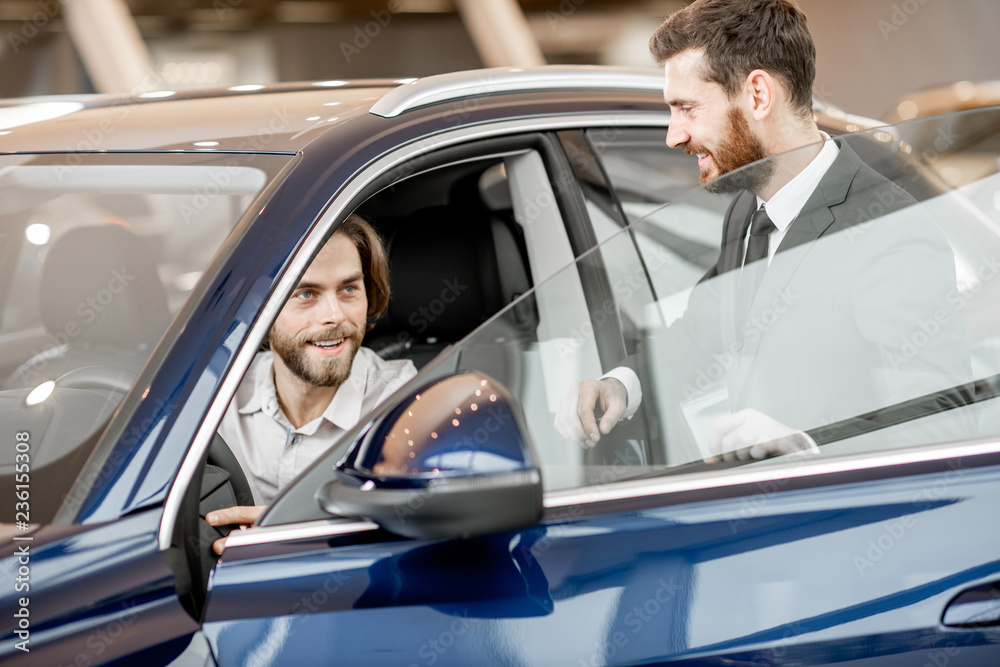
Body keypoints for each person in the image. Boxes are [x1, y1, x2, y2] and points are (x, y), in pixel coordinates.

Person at [555, 0, 971, 461]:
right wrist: (620, 385)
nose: (674, 136)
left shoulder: (888, 229)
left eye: (687, 108)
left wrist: (807, 446)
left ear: (758, 95)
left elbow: (942, 417)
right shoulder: (748, 212)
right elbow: (702, 331)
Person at [207, 214, 417, 553]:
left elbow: (419, 530)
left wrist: (306, 530)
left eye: (349, 288)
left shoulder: (405, 405)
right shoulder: (217, 395)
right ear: (258, 309)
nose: (334, 315)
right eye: (306, 293)